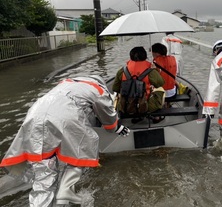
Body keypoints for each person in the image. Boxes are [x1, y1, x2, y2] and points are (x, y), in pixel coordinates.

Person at [0, 75, 130, 206]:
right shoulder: (98, 90)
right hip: (66, 117)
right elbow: (108, 118)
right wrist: (117, 128)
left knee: (43, 174)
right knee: (83, 148)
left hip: (34, 116)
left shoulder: (64, 84)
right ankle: (65, 191)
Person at [113, 46, 165, 123]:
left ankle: (136, 117)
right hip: (144, 106)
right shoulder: (150, 71)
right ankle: (156, 117)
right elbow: (160, 83)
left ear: (130, 57)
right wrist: (155, 69)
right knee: (160, 91)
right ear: (145, 57)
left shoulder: (122, 70)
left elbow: (115, 88)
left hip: (126, 106)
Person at [151, 43, 178, 108]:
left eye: (152, 52)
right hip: (173, 93)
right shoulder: (173, 59)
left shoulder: (155, 63)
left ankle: (157, 115)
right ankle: (168, 105)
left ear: (156, 53)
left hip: (162, 94)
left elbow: (154, 80)